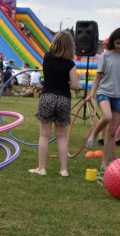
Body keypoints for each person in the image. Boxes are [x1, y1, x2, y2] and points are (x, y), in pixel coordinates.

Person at [29, 31, 80, 177]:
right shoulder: (70, 64)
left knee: (44, 135)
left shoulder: (47, 57)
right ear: (71, 47)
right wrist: (67, 84)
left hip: (47, 97)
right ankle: (64, 170)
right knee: (61, 136)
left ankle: (42, 168)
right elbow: (76, 85)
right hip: (64, 99)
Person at [85, 29, 120, 176]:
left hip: (118, 97)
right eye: (118, 43)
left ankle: (104, 164)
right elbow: (97, 77)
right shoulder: (105, 56)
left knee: (112, 133)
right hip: (104, 92)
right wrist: (91, 94)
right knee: (107, 116)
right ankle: (93, 136)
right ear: (113, 41)